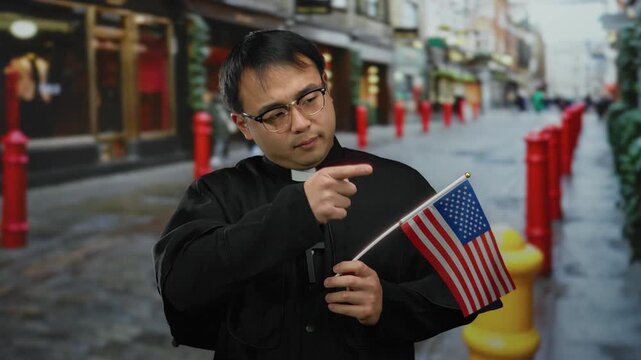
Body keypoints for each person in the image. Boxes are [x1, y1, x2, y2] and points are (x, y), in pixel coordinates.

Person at [153, 30, 500, 359]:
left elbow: (475, 280)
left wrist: (388, 303)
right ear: (244, 125)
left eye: (308, 99)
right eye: (275, 114)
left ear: (327, 89)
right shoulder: (217, 193)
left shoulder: (401, 183)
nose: (300, 122)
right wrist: (293, 215)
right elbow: (180, 287)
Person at [204, 88, 237, 168]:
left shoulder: (217, 104)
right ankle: (218, 157)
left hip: (224, 126)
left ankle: (222, 157)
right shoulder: (210, 106)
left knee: (224, 142)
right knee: (220, 142)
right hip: (219, 128)